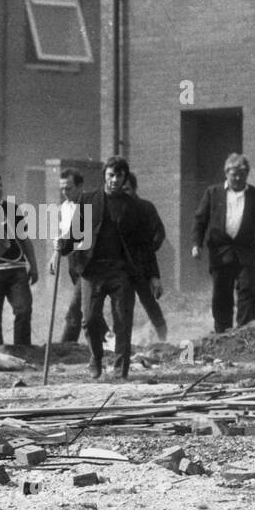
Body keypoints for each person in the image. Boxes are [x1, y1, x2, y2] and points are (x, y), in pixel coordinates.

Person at [59, 156, 158, 380]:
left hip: (121, 272)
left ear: (125, 178)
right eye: (110, 175)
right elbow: (75, 234)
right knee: (89, 319)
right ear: (105, 175)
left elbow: (145, 245)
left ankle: (120, 368)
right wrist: (62, 246)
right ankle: (96, 358)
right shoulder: (88, 200)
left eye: (119, 176)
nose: (114, 180)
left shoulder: (135, 207)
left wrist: (154, 276)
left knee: (122, 320)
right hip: (91, 270)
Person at [191, 153, 255, 333]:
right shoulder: (213, 193)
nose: (238, 178)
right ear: (226, 173)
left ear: (247, 174)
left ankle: (245, 332)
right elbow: (200, 219)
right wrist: (196, 243)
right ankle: (222, 333)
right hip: (220, 253)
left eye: (242, 173)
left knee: (247, 290)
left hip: (246, 253)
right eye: (234, 174)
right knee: (221, 295)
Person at [0, 173, 37, 349]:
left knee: (24, 310)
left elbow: (25, 239)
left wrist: (33, 266)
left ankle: (23, 352)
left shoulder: (12, 209)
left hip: (16, 269)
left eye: (0, 185)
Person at [124, 171, 168, 343]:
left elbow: (159, 233)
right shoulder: (113, 208)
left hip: (142, 265)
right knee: (123, 304)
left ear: (134, 189)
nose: (123, 193)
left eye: (127, 189)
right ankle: (123, 341)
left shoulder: (145, 208)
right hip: (121, 267)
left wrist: (146, 250)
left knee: (149, 301)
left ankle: (163, 337)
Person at [48, 169, 85, 343]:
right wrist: (55, 256)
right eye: (62, 189)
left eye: (68, 188)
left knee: (75, 308)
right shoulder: (64, 208)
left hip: (90, 263)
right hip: (74, 263)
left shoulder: (90, 205)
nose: (64, 192)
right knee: (86, 307)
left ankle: (65, 346)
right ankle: (108, 340)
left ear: (79, 186)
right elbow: (62, 236)